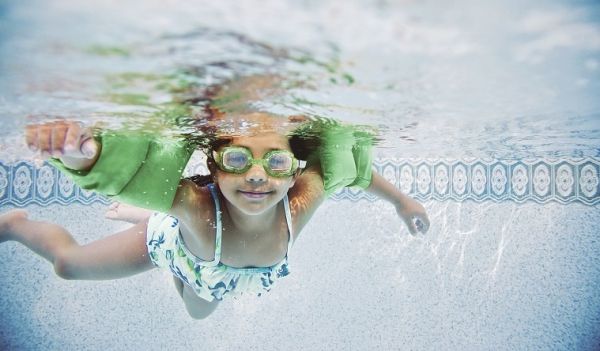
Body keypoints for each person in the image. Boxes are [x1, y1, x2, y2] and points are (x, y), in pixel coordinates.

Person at [0, 112, 429, 319]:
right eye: (238, 159)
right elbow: (136, 176)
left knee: (198, 312)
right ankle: (15, 225)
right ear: (213, 168)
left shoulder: (302, 201)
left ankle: (158, 233)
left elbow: (350, 175)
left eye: (275, 164)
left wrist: (401, 202)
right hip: (177, 240)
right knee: (68, 266)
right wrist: (83, 156)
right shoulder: (196, 205)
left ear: (292, 170)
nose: (258, 177)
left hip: (211, 270)